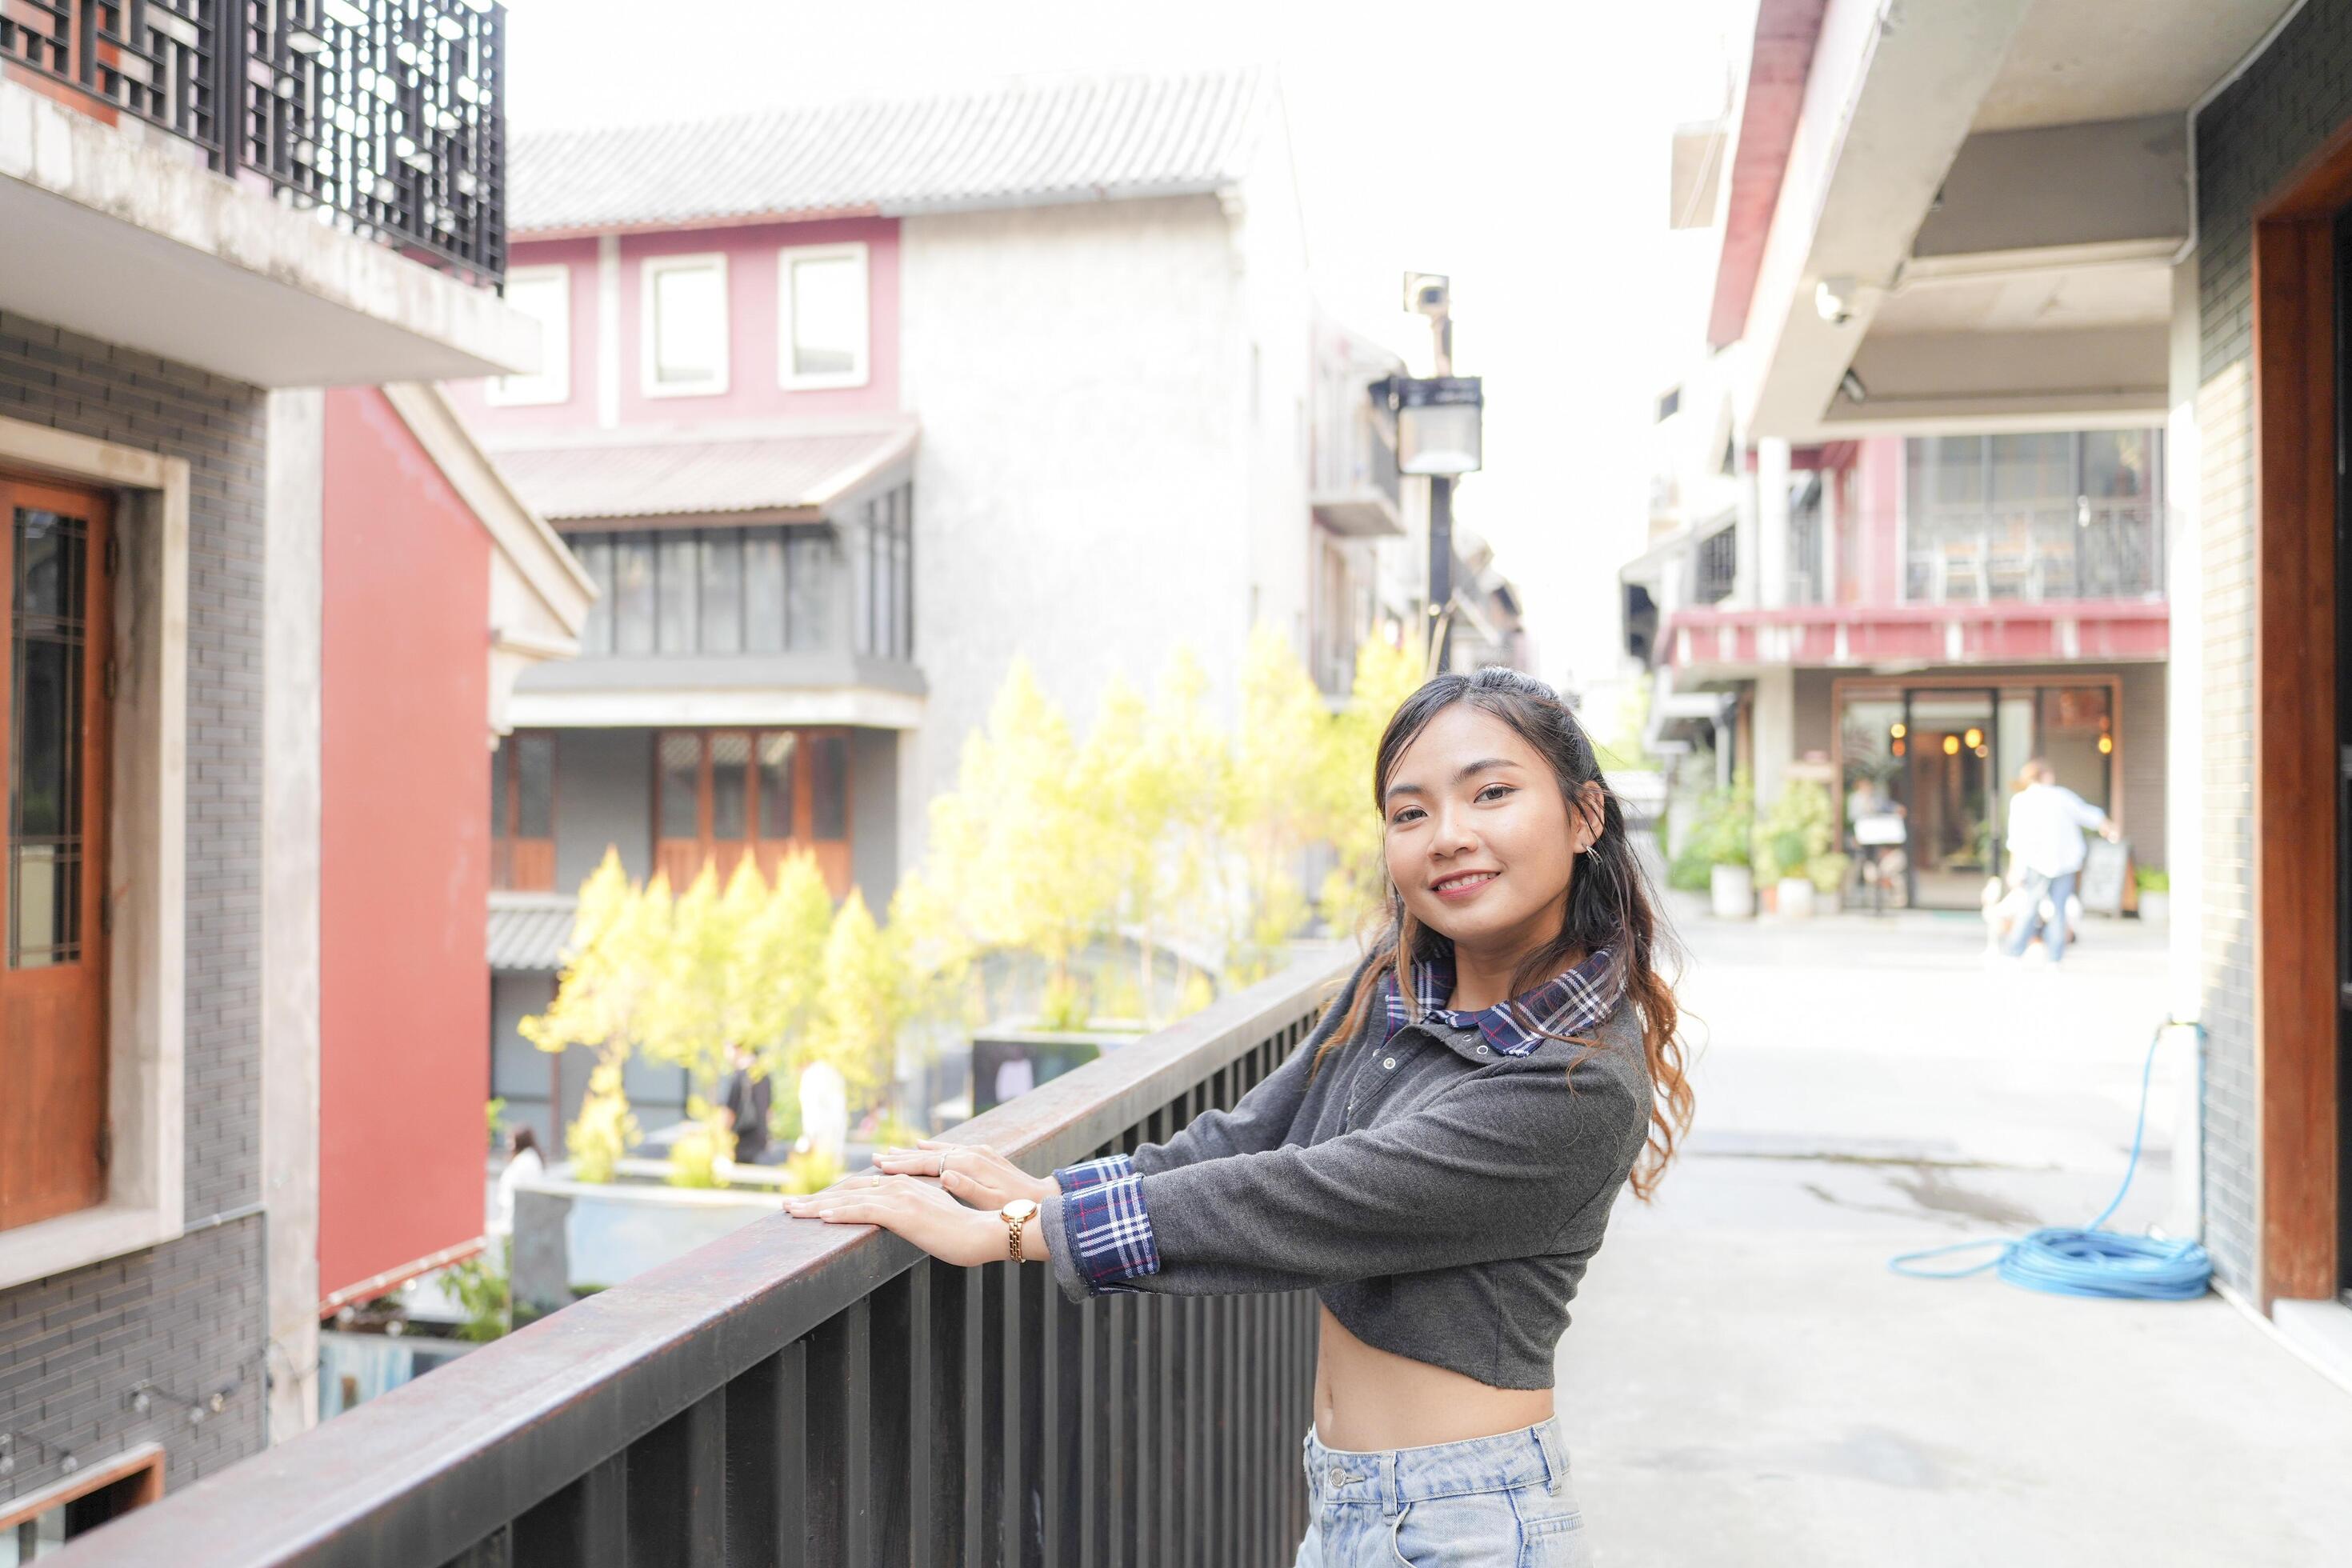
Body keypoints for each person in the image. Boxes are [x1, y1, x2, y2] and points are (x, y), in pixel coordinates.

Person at [791, 667, 1693, 1565]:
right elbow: (1253, 1133)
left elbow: (1303, 1198)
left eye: (1491, 793)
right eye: (1410, 813)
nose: (1449, 836)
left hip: (1465, 1521)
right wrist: (1050, 1189)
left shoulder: (1576, 1082)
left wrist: (1019, 1233)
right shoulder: (1402, 982)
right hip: (1347, 1506)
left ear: (1584, 816)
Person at [2002, 758, 2118, 966]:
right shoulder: (2062, 797)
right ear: (2046, 775)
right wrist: (2107, 826)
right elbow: (2089, 815)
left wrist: (2014, 869)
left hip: (2035, 862)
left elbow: (2016, 840)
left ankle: (2014, 952)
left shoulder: (2021, 801)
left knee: (2030, 906)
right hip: (2064, 861)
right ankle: (2055, 956)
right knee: (2059, 908)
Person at [718, 1043, 773, 1165]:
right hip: (761, 1143)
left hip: (741, 1143)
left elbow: (729, 1114)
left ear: (738, 1048)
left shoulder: (737, 1077)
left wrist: (721, 1142)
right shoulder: (764, 1076)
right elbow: (769, 1113)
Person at [492, 1126, 543, 1237]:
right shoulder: (525, 1159)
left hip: (518, 1217)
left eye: (511, 1139)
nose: (508, 1143)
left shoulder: (527, 1161)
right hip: (514, 1215)